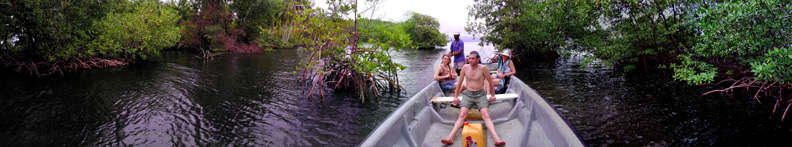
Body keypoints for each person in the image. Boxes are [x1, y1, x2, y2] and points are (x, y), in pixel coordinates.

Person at [441, 51, 506, 146]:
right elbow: (459, 83)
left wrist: (492, 95)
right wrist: (455, 97)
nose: (470, 60)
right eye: (469, 58)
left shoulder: (483, 68)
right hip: (468, 94)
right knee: (462, 115)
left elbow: (490, 82)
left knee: (486, 115)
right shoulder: (465, 67)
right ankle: (450, 138)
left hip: (480, 94)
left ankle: (496, 139)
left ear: (478, 59)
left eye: (473, 58)